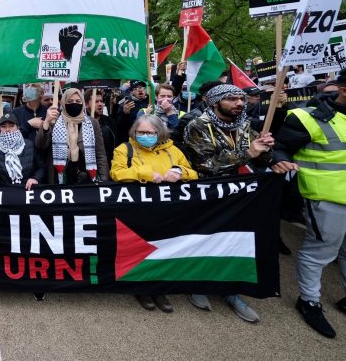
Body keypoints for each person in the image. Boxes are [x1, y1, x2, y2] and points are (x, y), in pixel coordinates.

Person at [183, 84, 275, 322]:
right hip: (209, 195)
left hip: (240, 195)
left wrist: (265, 148)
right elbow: (205, 164)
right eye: (232, 99)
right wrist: (248, 154)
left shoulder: (243, 125)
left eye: (241, 99)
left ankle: (230, 290)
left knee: (233, 240)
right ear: (215, 102)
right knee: (204, 238)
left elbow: (261, 157)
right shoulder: (198, 126)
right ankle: (198, 284)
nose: (239, 103)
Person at [270, 68, 346, 338]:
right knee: (320, 252)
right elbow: (279, 147)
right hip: (326, 199)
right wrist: (278, 159)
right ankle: (309, 301)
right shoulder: (307, 117)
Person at [111, 115, 198, 313]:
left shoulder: (173, 151)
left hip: (167, 211)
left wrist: (179, 171)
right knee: (139, 248)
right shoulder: (125, 149)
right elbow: (117, 173)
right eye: (141, 132)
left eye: (150, 133)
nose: (145, 136)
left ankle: (158, 288)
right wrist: (147, 174)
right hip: (138, 209)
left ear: (160, 133)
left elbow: (192, 173)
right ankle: (142, 287)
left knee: (163, 247)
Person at [37, 88, 109, 184]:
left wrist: (103, 180)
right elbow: (41, 145)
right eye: (70, 101)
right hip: (59, 176)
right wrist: (46, 122)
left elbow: (100, 154)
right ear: (63, 103)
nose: (74, 103)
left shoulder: (92, 123)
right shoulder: (54, 121)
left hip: (85, 177)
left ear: (82, 103)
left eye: (78, 101)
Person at [0, 113, 43, 189]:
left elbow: (41, 167)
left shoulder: (29, 145)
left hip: (27, 192)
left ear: (18, 127)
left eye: (11, 126)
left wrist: (35, 178)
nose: (7, 130)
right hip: (4, 193)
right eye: (3, 127)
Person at [87, 90, 117, 164]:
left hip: (108, 166)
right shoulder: (81, 123)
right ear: (86, 104)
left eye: (101, 101)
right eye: (96, 102)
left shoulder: (110, 122)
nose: (100, 104)